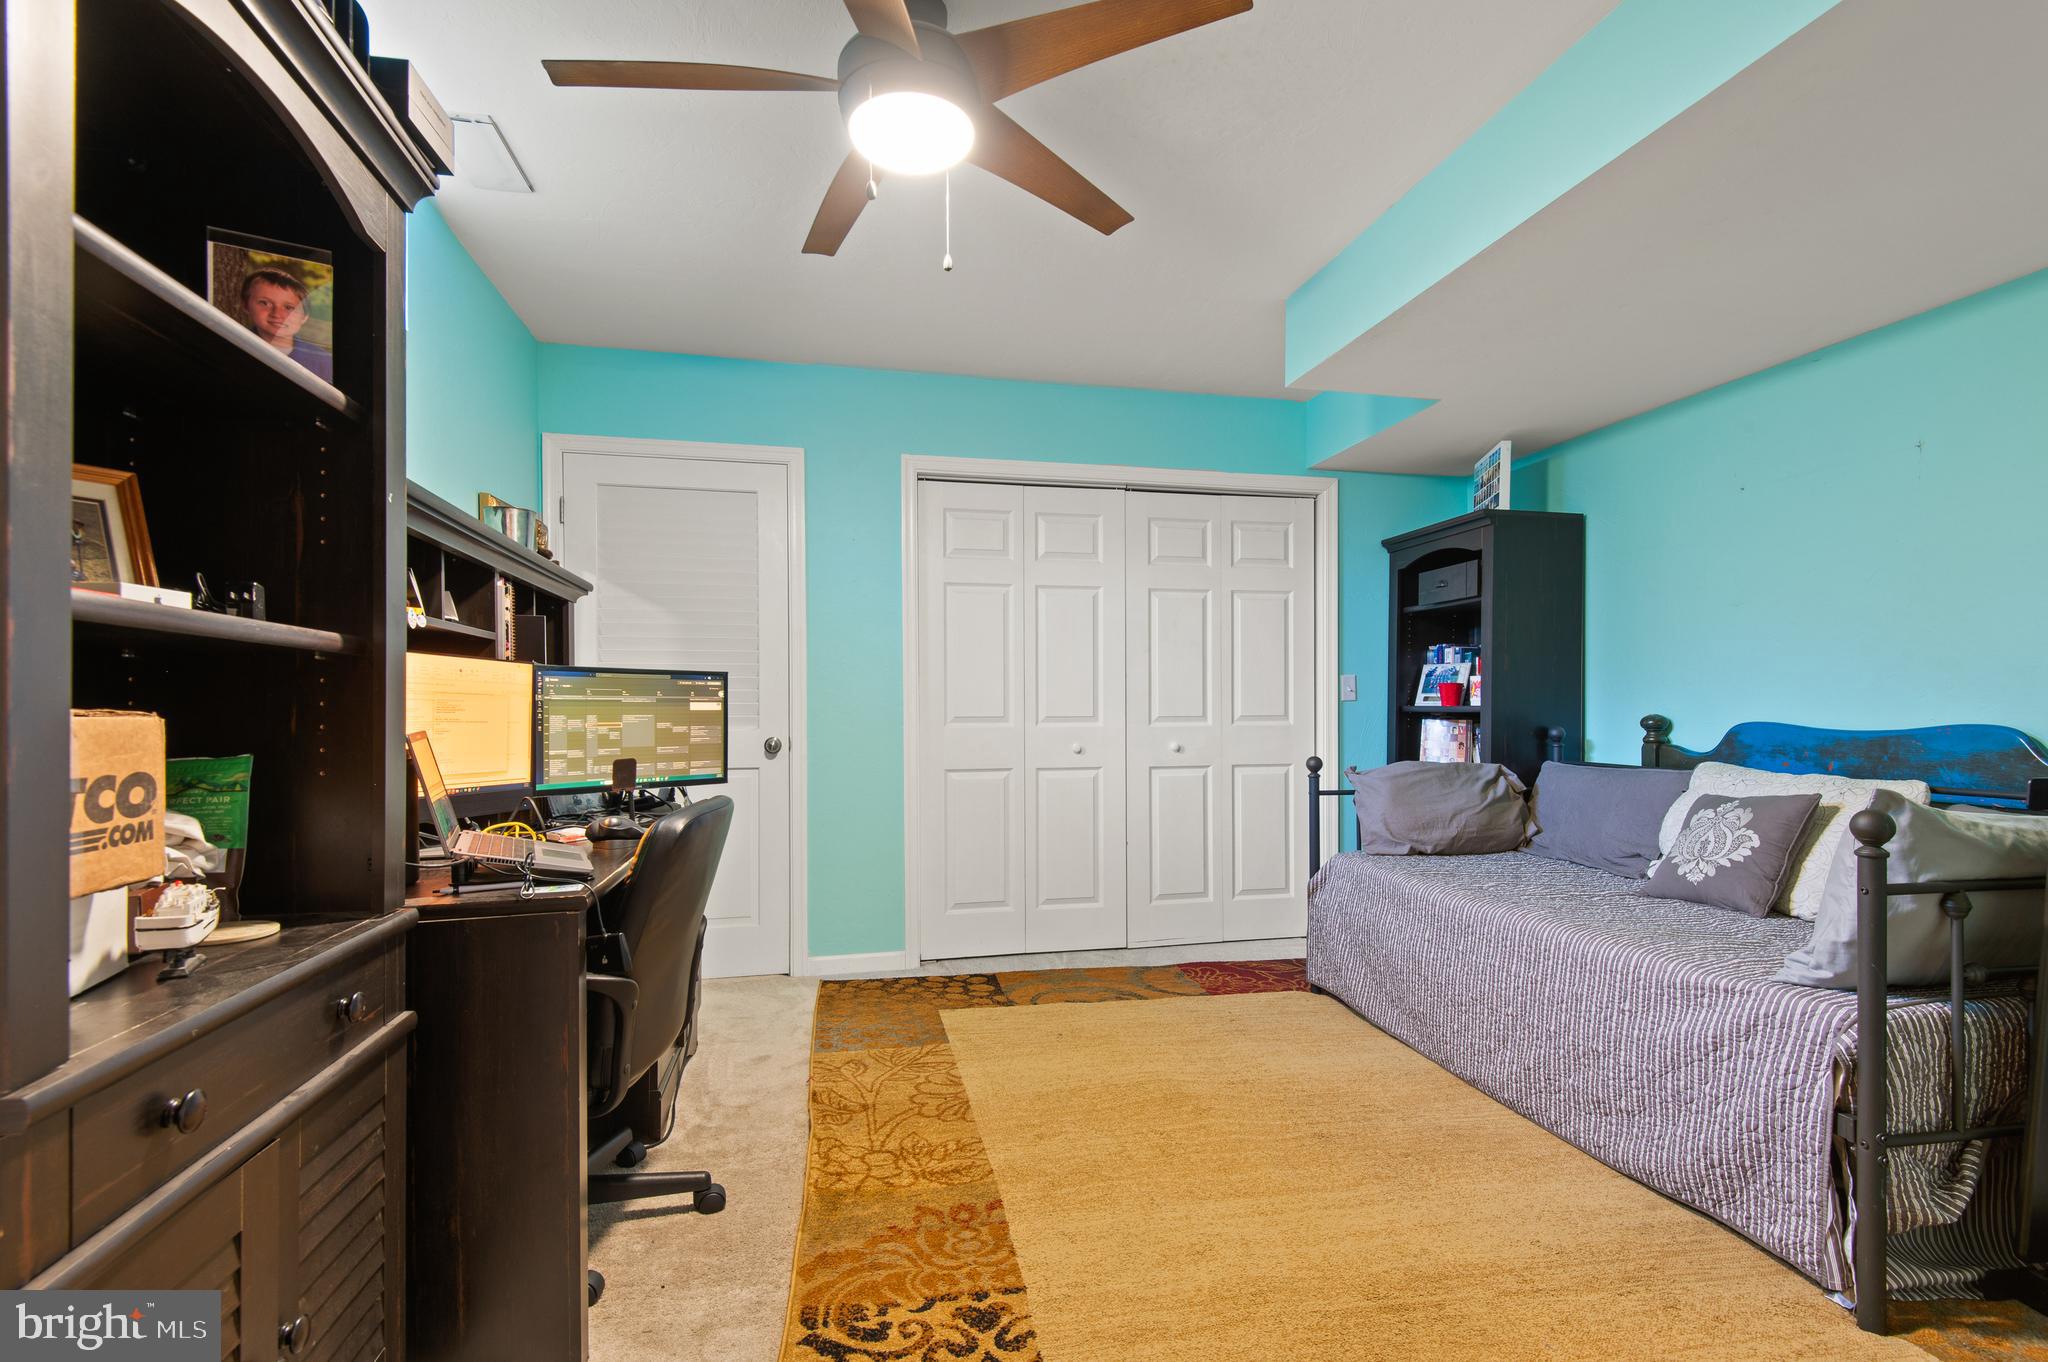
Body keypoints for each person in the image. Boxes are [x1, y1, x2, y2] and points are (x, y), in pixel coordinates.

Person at [237, 266, 333, 382]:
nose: (277, 314)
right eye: (265, 303)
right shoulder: (233, 347)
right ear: (246, 305)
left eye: (289, 308)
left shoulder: (325, 362)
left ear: (304, 317)